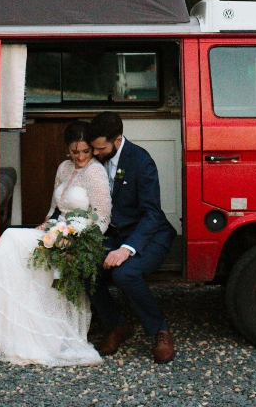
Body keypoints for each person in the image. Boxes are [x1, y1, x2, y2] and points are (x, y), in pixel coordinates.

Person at [0, 121, 111, 366]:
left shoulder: (95, 172)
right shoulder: (64, 167)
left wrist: (78, 240)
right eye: (74, 152)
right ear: (67, 149)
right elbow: (55, 208)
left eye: (85, 152)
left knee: (14, 239)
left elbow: (103, 217)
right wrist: (47, 225)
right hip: (58, 230)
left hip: (80, 236)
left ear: (92, 149)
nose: (79, 157)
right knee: (13, 238)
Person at [87, 112, 177, 364]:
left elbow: (151, 214)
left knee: (124, 274)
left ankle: (160, 329)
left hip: (150, 235)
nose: (95, 153)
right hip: (113, 233)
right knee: (86, 269)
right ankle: (117, 325)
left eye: (100, 147)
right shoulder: (95, 160)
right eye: (93, 147)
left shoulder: (141, 161)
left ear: (117, 140)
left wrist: (126, 249)